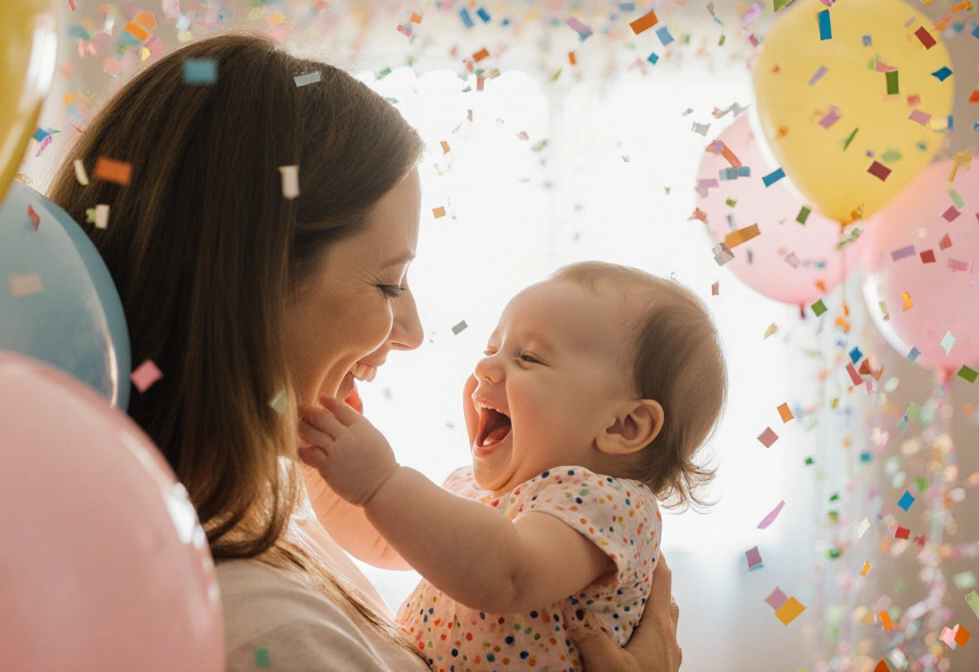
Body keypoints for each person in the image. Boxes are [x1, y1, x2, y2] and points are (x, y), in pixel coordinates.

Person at [49, 33, 683, 671]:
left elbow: (487, 566)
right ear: (246, 283)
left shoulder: (250, 506)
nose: (411, 330)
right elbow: (391, 533)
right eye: (387, 283)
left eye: (533, 359)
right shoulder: (264, 628)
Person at [297, 262, 726, 671]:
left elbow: (508, 574)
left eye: (529, 358)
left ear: (624, 425)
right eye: (491, 349)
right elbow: (385, 540)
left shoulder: (610, 506)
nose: (484, 367)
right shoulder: (477, 490)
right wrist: (320, 460)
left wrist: (381, 480)